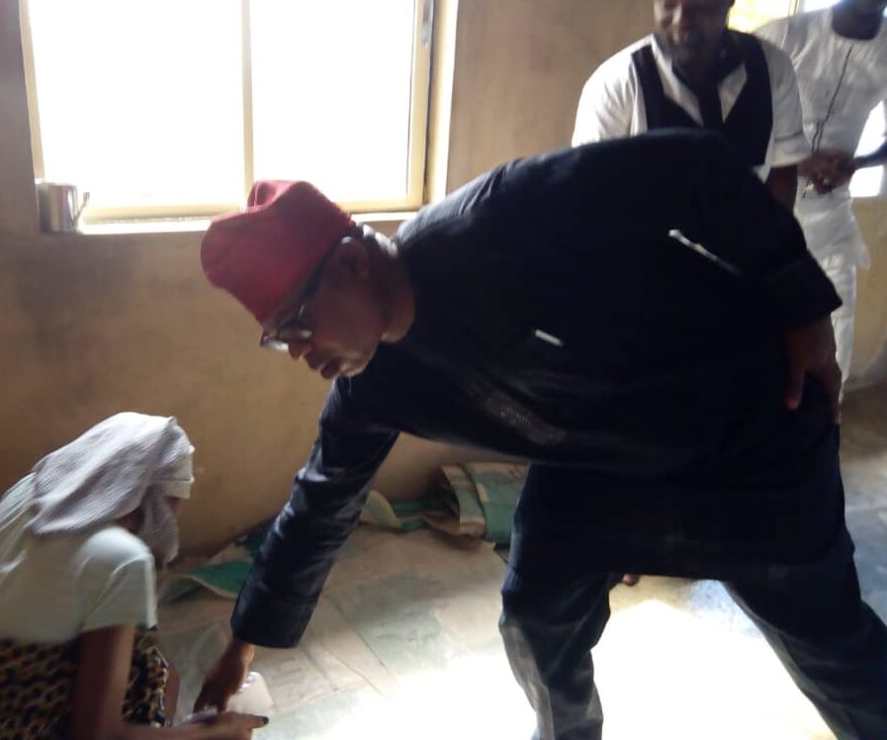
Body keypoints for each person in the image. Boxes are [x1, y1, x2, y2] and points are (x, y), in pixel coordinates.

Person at [194, 132, 887, 740]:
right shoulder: (373, 384)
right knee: (537, 615)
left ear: (351, 264)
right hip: (602, 458)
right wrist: (242, 646)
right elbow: (322, 500)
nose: (297, 351)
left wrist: (802, 307)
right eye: (278, 338)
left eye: (296, 323)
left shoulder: (500, 218)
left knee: (826, 641)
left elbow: (693, 167)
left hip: (748, 426)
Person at [0, 412, 266, 740]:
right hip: (12, 722)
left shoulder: (28, 492)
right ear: (148, 502)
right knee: (152, 683)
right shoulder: (122, 559)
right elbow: (97, 735)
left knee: (160, 670)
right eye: (171, 508)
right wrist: (208, 733)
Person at [573, 0, 809, 209]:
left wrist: (773, 234)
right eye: (668, 5)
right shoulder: (617, 84)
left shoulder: (772, 69)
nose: (681, 21)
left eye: (699, 7)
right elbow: (590, 194)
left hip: (746, 235)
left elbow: (782, 175)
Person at [755, 0, 887, 384]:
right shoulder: (785, 36)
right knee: (757, 350)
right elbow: (734, 120)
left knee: (833, 360)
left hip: (831, 229)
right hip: (766, 218)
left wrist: (858, 164)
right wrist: (797, 161)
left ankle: (822, 427)